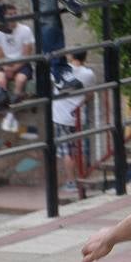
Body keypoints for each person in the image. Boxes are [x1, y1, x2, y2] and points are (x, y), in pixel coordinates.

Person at [52, 50, 96, 197]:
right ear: (85, 57)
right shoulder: (88, 74)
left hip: (61, 116)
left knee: (67, 151)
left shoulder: (60, 71)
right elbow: (90, 95)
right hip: (78, 116)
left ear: (71, 56)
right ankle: (81, 178)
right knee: (79, 149)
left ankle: (71, 182)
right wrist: (79, 104)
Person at [0, 4, 35, 134]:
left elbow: (27, 54)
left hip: (22, 64)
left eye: (14, 13)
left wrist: (15, 68)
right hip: (5, 64)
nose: (13, 17)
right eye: (9, 14)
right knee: (0, 80)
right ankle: (3, 109)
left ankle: (11, 114)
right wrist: (6, 68)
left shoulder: (25, 30)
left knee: (20, 80)